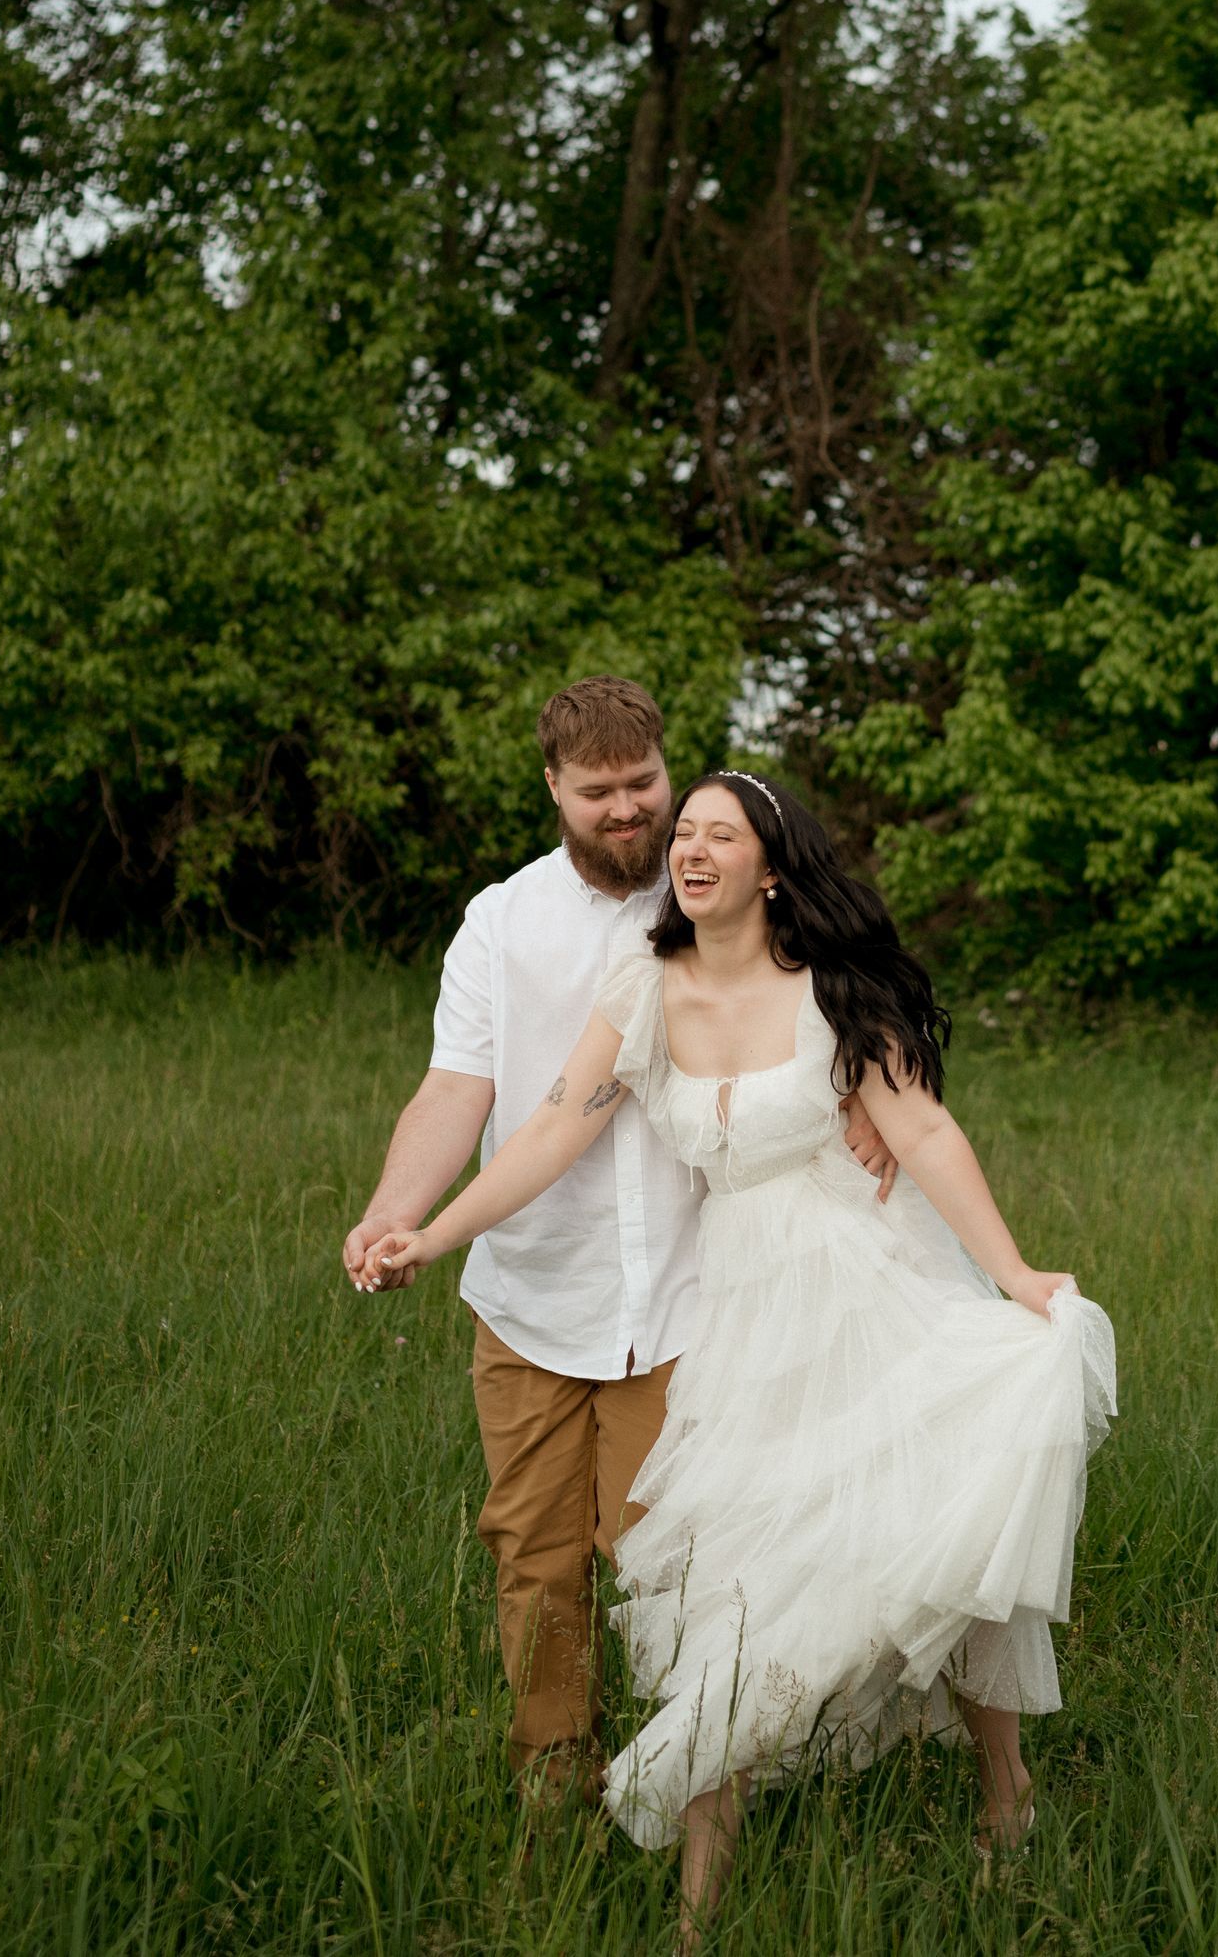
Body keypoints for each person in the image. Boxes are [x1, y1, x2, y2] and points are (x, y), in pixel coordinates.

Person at [357, 768, 1116, 1935]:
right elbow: (553, 1127)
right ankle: (699, 1905)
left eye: (724, 835)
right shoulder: (641, 988)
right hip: (740, 1311)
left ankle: (1002, 1784)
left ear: (772, 867)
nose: (694, 850)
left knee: (931, 1524)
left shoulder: (834, 993)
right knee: (730, 1581)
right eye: (687, 835)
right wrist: (434, 1229)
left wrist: (1014, 1274)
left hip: (872, 1280)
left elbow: (924, 1130)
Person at [340, 681, 895, 1797]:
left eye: (644, 783)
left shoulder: (728, 895)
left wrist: (868, 1095)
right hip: (536, 1291)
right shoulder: (502, 923)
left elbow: (853, 989)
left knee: (680, 1566)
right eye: (599, 794)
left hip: (701, 1296)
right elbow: (460, 1087)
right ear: (553, 788)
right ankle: (555, 1791)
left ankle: (695, 1789)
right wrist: (397, 1212)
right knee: (534, 1562)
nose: (630, 811)